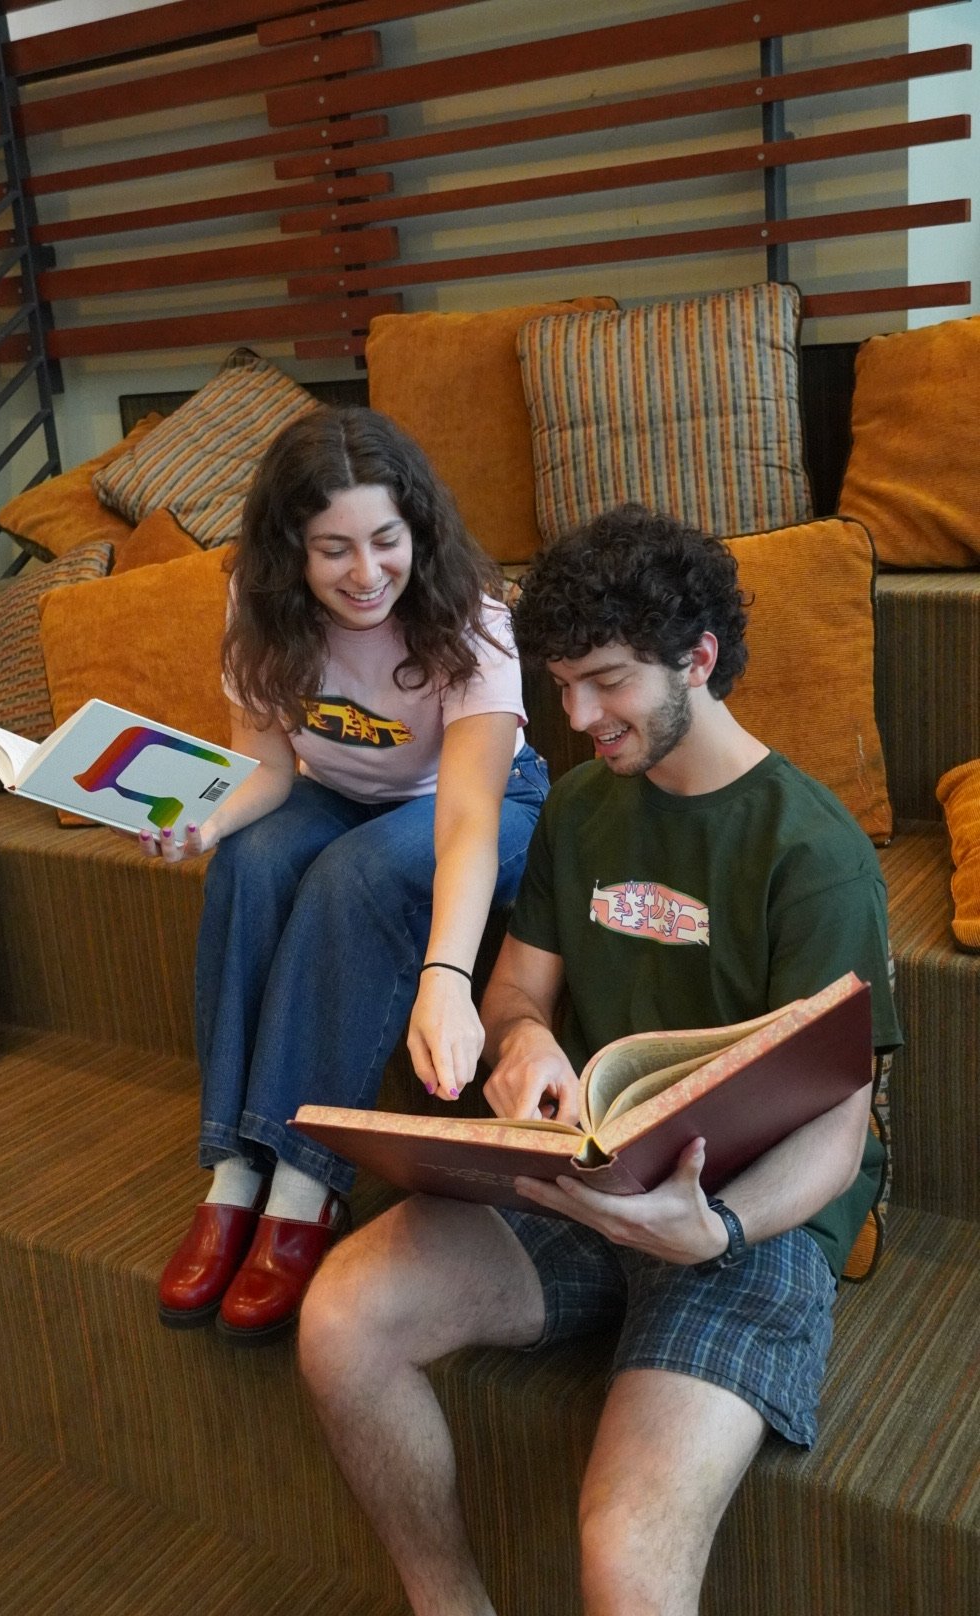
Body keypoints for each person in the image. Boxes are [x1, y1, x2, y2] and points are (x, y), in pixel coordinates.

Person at [297, 504, 901, 1616]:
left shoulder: (812, 853)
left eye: (608, 683)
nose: (578, 718)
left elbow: (837, 1126)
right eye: (563, 685)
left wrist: (719, 1228)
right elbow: (517, 993)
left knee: (623, 1553)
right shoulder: (580, 806)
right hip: (587, 1178)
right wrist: (524, 1043)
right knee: (341, 1320)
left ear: (698, 659)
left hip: (743, 1226)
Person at [152, 406, 549, 1342]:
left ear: (418, 530)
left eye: (385, 541)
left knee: (353, 875)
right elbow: (268, 770)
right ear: (291, 551)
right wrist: (205, 823)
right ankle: (233, 1171)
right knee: (253, 858)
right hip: (333, 791)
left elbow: (465, 820)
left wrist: (446, 977)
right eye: (334, 550)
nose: (366, 573)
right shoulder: (257, 601)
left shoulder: (472, 617)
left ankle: (304, 1182)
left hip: (482, 805)